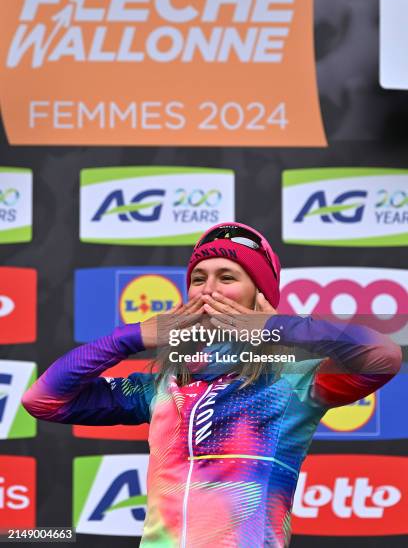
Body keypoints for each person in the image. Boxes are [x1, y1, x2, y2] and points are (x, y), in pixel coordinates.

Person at [22, 222, 402, 547]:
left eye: (228, 277)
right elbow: (43, 400)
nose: (208, 289)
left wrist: (276, 327)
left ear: (260, 295)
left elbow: (383, 355)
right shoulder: (165, 382)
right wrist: (132, 337)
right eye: (199, 278)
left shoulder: (293, 376)